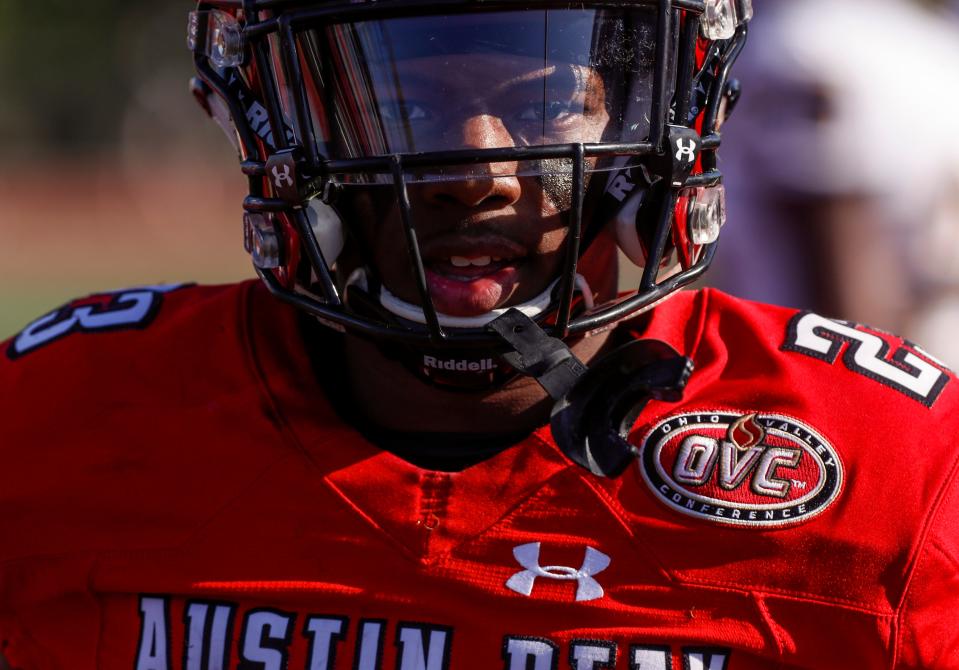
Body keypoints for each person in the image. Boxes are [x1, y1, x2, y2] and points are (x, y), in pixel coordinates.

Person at [1, 1, 956, 668]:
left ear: (670, 115)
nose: (479, 166)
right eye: (399, 103)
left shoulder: (894, 471)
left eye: (547, 100)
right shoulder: (57, 419)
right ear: (271, 120)